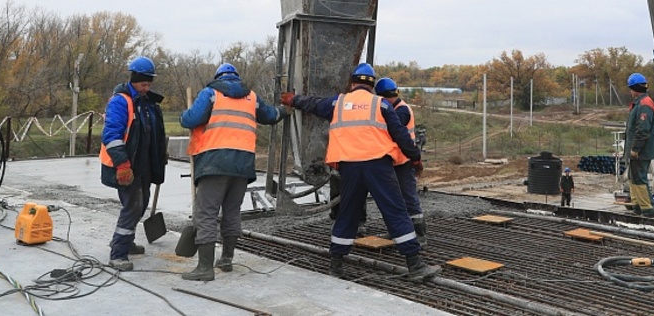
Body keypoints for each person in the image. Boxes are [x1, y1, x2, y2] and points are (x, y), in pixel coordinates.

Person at [280, 63, 439, 281]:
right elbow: (401, 135)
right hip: (378, 166)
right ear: (372, 86)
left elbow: (313, 104)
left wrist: (293, 100)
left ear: (353, 83)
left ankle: (336, 265)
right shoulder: (381, 104)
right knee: (395, 210)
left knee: (348, 213)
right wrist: (415, 158)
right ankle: (415, 265)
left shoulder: (338, 103)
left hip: (349, 167)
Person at [179, 62, 286, 281]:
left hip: (214, 161)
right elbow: (271, 115)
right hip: (243, 164)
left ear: (218, 77)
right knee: (232, 212)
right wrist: (286, 110)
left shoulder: (211, 93)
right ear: (237, 78)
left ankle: (205, 268)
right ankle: (226, 259)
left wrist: (183, 115)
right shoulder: (252, 98)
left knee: (206, 213)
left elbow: (191, 119)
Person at [99, 56, 167, 271]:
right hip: (128, 165)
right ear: (133, 80)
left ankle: (126, 242)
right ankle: (118, 252)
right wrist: (122, 164)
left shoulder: (148, 103)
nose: (146, 87)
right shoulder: (121, 101)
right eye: (142, 84)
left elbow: (153, 133)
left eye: (149, 84)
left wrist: (160, 153)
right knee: (132, 206)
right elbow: (111, 135)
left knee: (141, 204)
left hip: (145, 165)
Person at [374, 77, 427, 247]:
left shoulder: (401, 111)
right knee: (395, 199)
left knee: (409, 198)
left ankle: (419, 235)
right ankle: (396, 231)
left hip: (403, 162)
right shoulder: (395, 107)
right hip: (393, 161)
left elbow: (388, 130)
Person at [623, 72, 654, 218]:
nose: (630, 91)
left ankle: (648, 210)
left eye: (631, 88)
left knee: (639, 178)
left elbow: (642, 130)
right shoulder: (639, 103)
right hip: (637, 150)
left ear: (635, 88)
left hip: (640, 151)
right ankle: (637, 205)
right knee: (633, 176)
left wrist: (635, 149)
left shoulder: (644, 105)